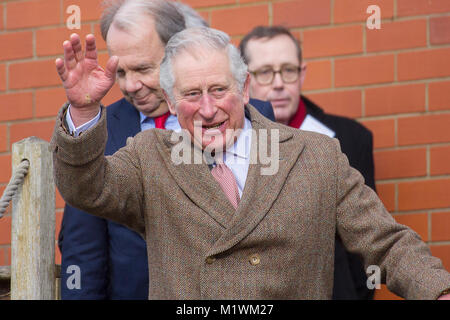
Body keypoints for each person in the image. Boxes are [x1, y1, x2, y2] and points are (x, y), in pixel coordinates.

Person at [52, 26, 450, 299]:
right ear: (171, 102)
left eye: (218, 90)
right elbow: (87, 188)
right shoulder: (149, 157)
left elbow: (386, 242)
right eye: (191, 94)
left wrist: (437, 289)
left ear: (243, 88)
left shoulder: (316, 155)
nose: (207, 109)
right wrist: (83, 112)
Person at [58, 0, 274, 300]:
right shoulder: (98, 131)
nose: (131, 85)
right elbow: (83, 249)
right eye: (120, 72)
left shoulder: (250, 115)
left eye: (143, 69)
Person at [239, 26, 376, 300]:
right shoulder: (226, 141)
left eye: (288, 70)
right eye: (265, 72)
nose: (278, 83)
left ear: (302, 73)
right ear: (245, 80)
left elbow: (369, 235)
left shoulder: (351, 138)